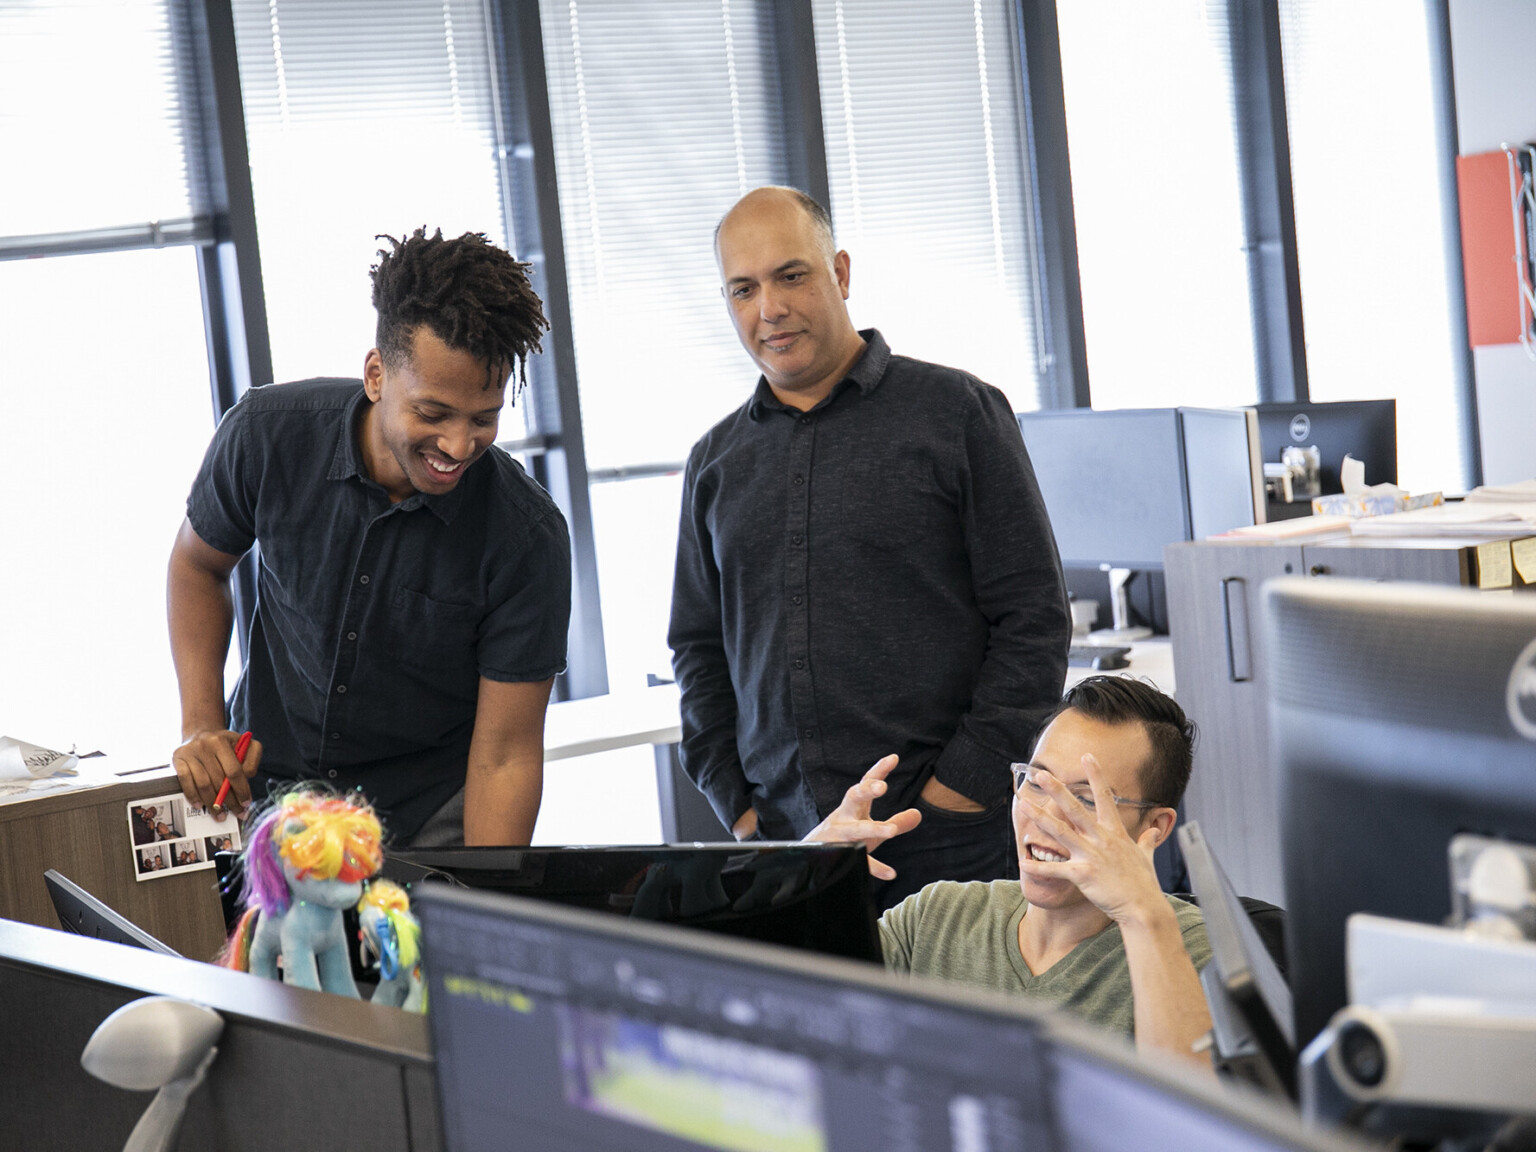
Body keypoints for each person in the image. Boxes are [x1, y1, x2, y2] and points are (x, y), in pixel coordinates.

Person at [670, 186, 1071, 909]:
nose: (770, 309)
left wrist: (958, 794)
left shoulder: (957, 414)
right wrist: (742, 809)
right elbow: (698, 650)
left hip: (952, 844)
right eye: (743, 289)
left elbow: (1034, 619)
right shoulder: (715, 462)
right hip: (792, 849)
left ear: (841, 273)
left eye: (792, 275)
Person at [167, 228, 572, 847]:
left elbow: (505, 757)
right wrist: (202, 724)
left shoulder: (526, 537)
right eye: (433, 414)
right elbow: (198, 565)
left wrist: (493, 919)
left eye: (483, 418)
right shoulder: (266, 437)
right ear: (377, 374)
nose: (459, 446)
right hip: (265, 806)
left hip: (422, 825)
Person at [808, 676, 1213, 1066]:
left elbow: (1197, 1118)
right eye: (1037, 783)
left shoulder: (1194, 949)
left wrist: (1143, 916)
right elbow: (795, 1014)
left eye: (1085, 801)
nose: (1046, 816)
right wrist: (804, 875)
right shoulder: (936, 917)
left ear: (1154, 827)